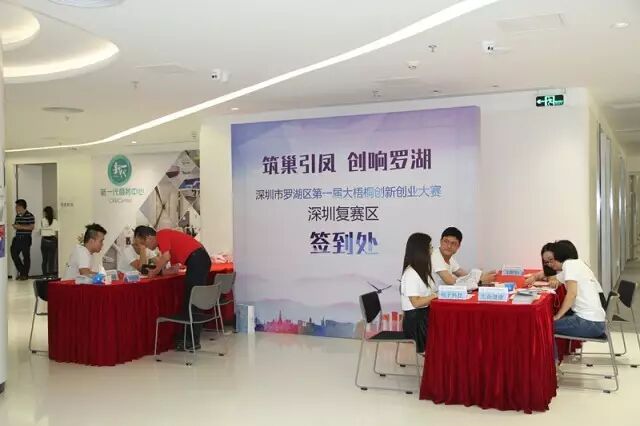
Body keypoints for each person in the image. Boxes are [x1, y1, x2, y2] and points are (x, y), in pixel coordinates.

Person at [134, 226, 211, 351]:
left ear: (149, 238)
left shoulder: (162, 235)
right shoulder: (167, 241)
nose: (147, 247)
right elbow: (174, 268)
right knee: (189, 300)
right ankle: (187, 338)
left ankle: (191, 340)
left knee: (192, 301)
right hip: (198, 260)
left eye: (144, 244)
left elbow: (166, 257)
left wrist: (154, 271)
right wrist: (161, 271)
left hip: (197, 260)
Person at [549, 241, 606, 342]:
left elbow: (572, 294)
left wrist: (558, 316)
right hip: (597, 322)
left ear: (559, 256)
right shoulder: (578, 264)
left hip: (588, 323)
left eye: (552, 259)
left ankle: (551, 354)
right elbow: (553, 278)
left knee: (543, 327)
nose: (551, 263)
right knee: (548, 325)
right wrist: (536, 276)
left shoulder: (569, 265)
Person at [400, 233, 438, 354]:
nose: (432, 250)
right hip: (416, 322)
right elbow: (416, 303)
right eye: (430, 247)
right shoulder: (411, 274)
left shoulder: (422, 271)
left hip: (423, 315)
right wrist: (435, 296)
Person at [11, 199, 35, 280]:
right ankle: (22, 272)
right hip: (17, 238)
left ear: (21, 206)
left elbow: (31, 227)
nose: (16, 208)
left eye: (17, 206)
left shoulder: (30, 215)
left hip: (25, 239)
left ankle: (24, 274)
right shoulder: (18, 216)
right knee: (14, 254)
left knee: (26, 257)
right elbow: (17, 226)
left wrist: (20, 227)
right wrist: (16, 226)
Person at [40, 206, 59, 277]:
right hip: (53, 241)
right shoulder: (55, 221)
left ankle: (44, 274)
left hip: (45, 240)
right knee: (51, 260)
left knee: (44, 259)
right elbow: (56, 231)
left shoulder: (43, 220)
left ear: (45, 213)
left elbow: (41, 230)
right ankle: (51, 274)